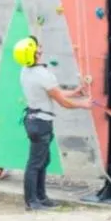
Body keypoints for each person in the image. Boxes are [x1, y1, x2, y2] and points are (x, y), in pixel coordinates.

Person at [13, 35, 92, 211]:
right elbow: (62, 101)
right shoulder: (43, 74)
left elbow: (52, 93)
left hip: (33, 120)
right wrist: (83, 104)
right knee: (35, 162)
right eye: (36, 48)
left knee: (42, 160)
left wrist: (75, 92)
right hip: (42, 123)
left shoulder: (25, 71)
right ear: (33, 54)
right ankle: (32, 201)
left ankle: (41, 198)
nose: (40, 49)